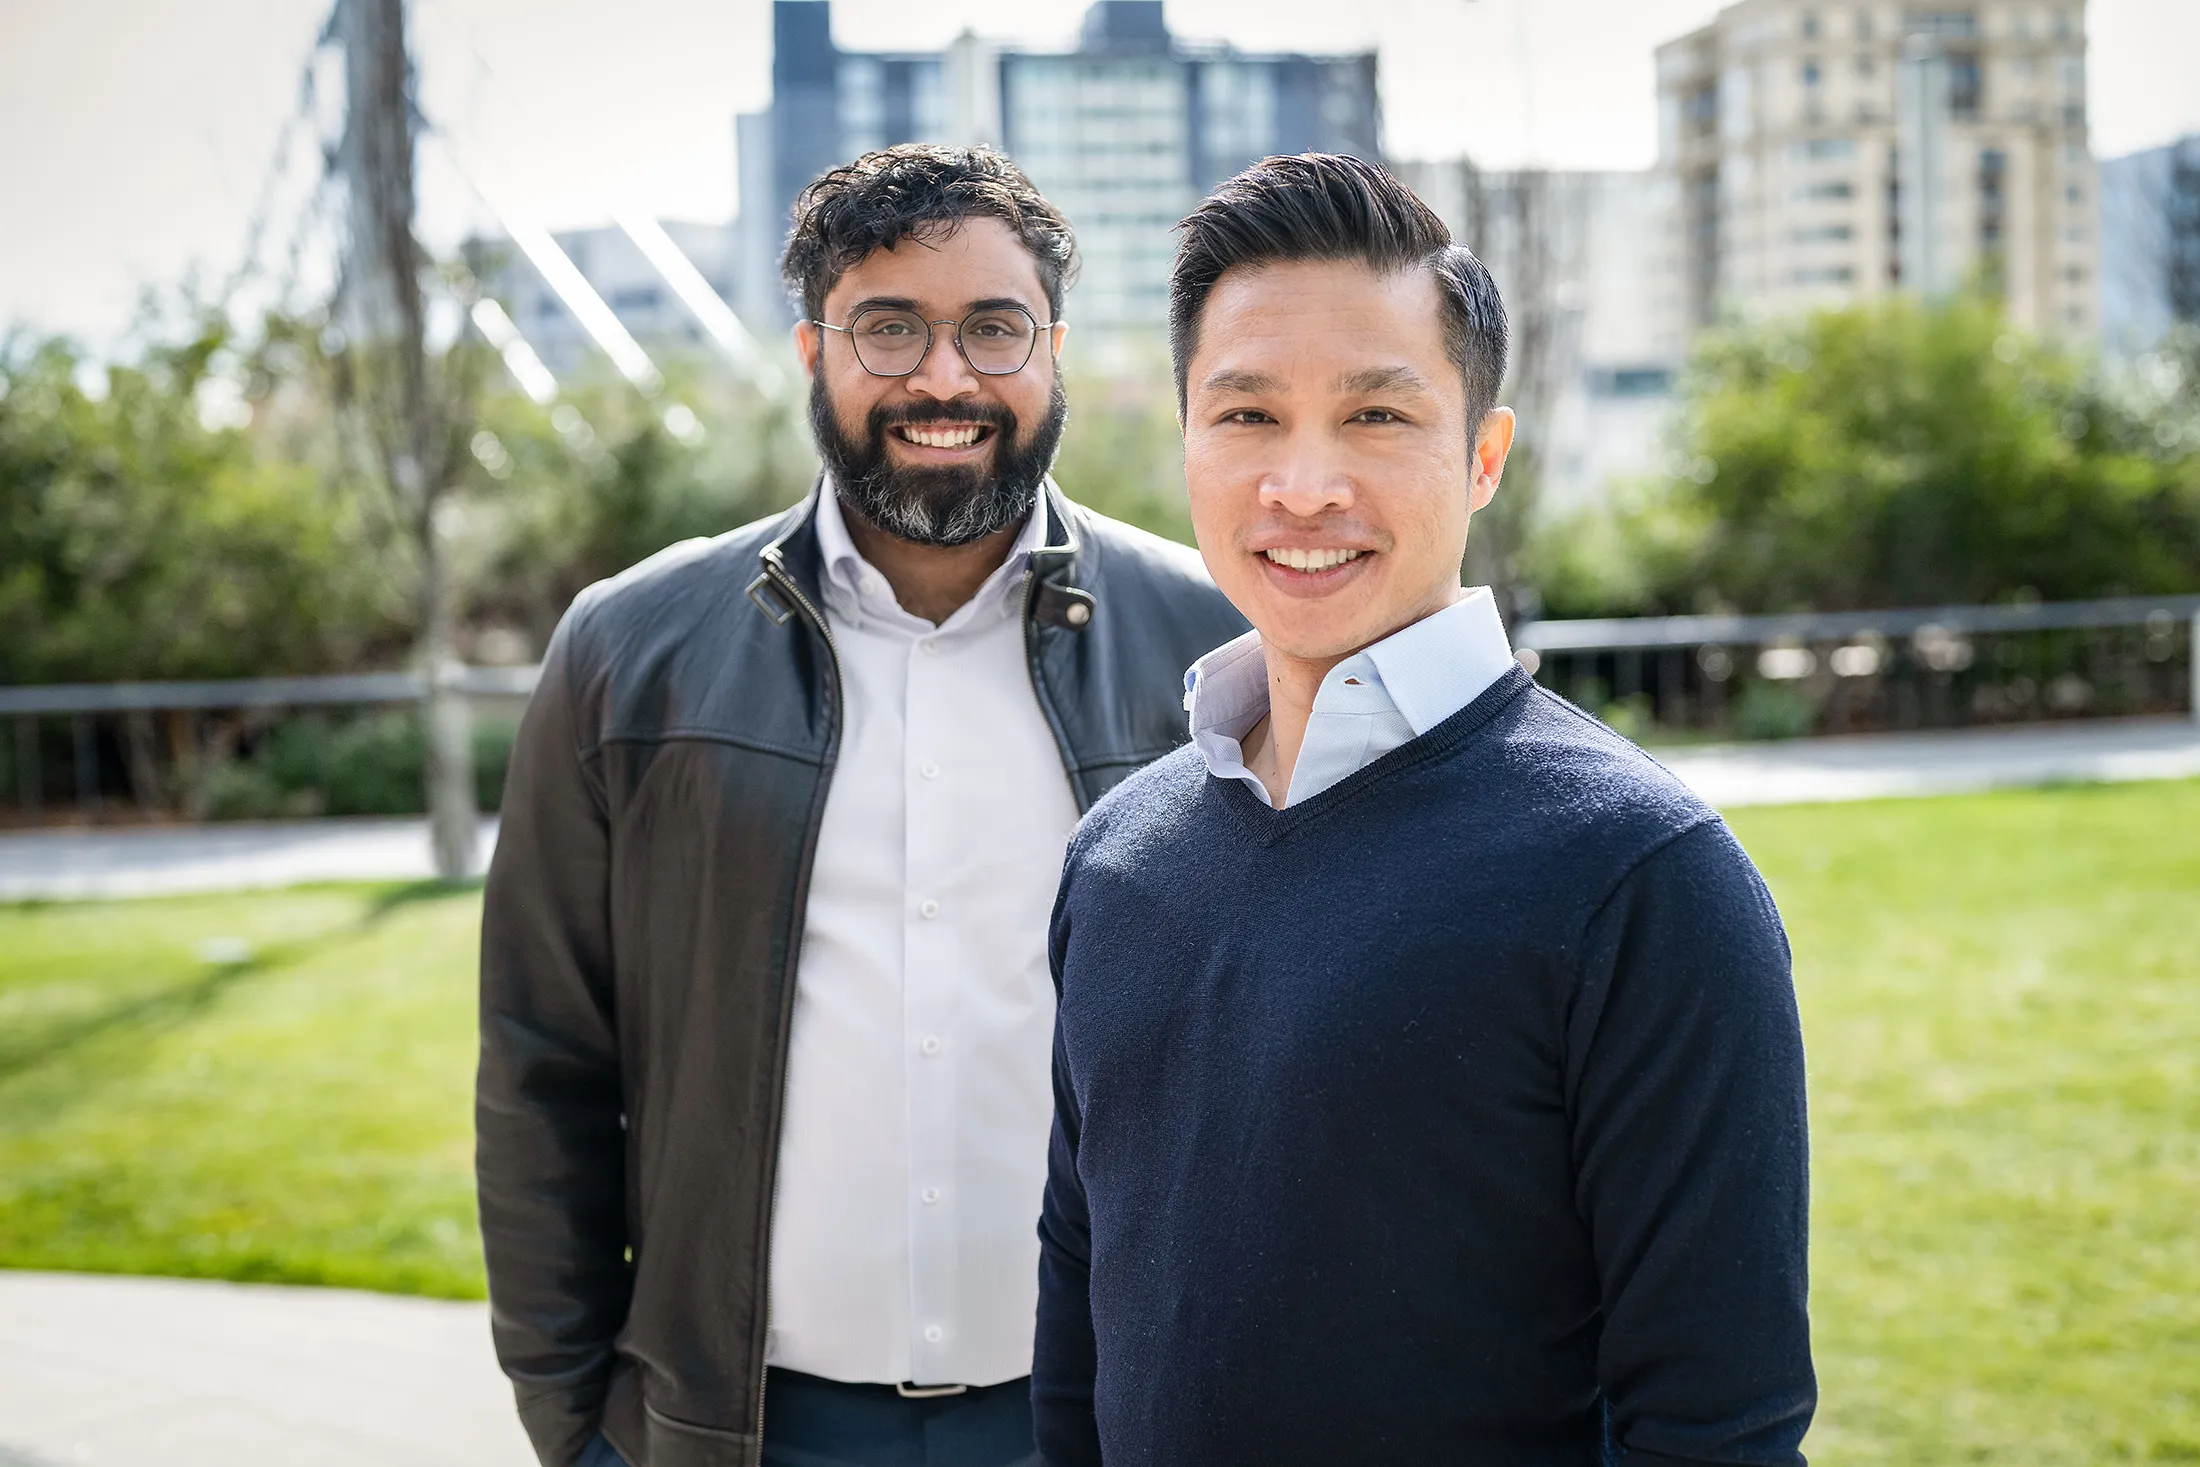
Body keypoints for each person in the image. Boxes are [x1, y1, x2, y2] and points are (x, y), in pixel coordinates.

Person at [1033, 153, 1815, 1466]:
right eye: (1247, 417)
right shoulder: (1115, 857)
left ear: (1485, 455)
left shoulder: (1640, 878)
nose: (1304, 484)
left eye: (1379, 417)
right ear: (1186, 446)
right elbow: (1077, 1319)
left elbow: (1716, 1431)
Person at [477, 144, 1246, 1467]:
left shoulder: (1218, 640)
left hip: (1113, 1416)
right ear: (811, 351)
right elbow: (544, 1067)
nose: (944, 377)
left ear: (1052, 348)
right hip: (749, 1430)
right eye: (888, 327)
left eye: (992, 328)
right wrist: (578, 1430)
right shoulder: (624, 652)